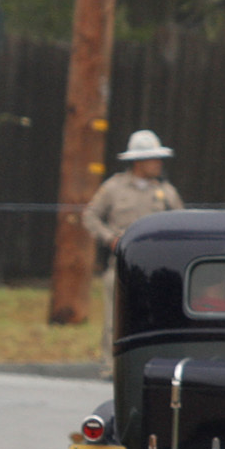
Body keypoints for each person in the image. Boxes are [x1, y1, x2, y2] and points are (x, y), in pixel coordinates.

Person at [83, 129, 185, 374]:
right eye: (153, 158)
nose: (158, 164)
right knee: (114, 320)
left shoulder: (166, 192)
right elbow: (90, 216)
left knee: (157, 318)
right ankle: (111, 367)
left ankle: (152, 366)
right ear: (138, 161)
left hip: (158, 268)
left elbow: (181, 220)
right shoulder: (113, 188)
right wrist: (110, 239)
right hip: (122, 265)